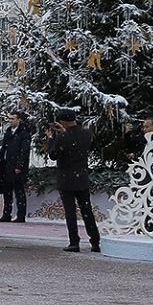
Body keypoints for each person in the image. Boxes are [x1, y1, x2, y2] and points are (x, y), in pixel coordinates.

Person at [50, 108, 101, 252]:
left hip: (66, 178)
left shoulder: (62, 137)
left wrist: (52, 138)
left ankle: (74, 242)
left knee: (70, 211)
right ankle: (95, 241)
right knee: (87, 209)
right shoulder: (86, 134)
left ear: (62, 122)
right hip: (82, 176)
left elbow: (53, 155)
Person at [0, 111, 32, 223]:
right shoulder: (8, 132)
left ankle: (21, 215)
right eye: (9, 119)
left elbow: (24, 151)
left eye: (13, 119)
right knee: (7, 191)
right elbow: (3, 148)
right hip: (6, 165)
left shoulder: (24, 133)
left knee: (19, 190)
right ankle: (6, 214)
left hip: (16, 166)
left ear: (18, 119)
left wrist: (19, 165)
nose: (10, 121)